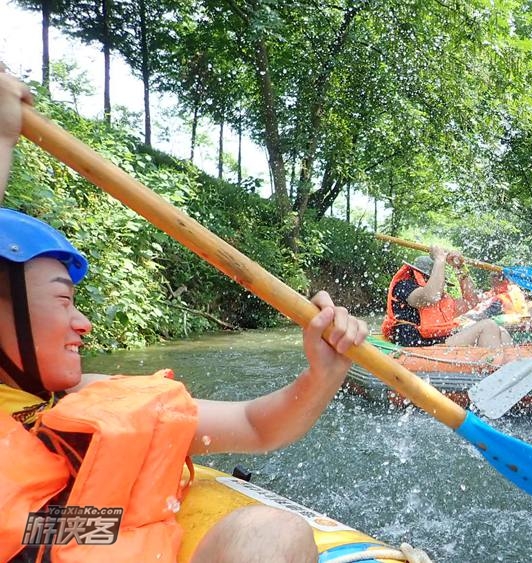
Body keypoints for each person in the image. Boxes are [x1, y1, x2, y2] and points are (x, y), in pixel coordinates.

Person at [0, 72, 372, 563]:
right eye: (63, 300)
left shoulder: (89, 397)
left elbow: (257, 426)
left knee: (271, 534)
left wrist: (323, 374)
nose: (83, 323)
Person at [381, 246, 512, 347]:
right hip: (417, 344)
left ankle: (508, 371)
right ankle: (497, 373)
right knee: (488, 326)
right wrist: (440, 259)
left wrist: (459, 267)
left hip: (440, 343)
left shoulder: (442, 299)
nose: (443, 284)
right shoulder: (405, 286)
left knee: (501, 331)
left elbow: (471, 301)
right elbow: (431, 296)